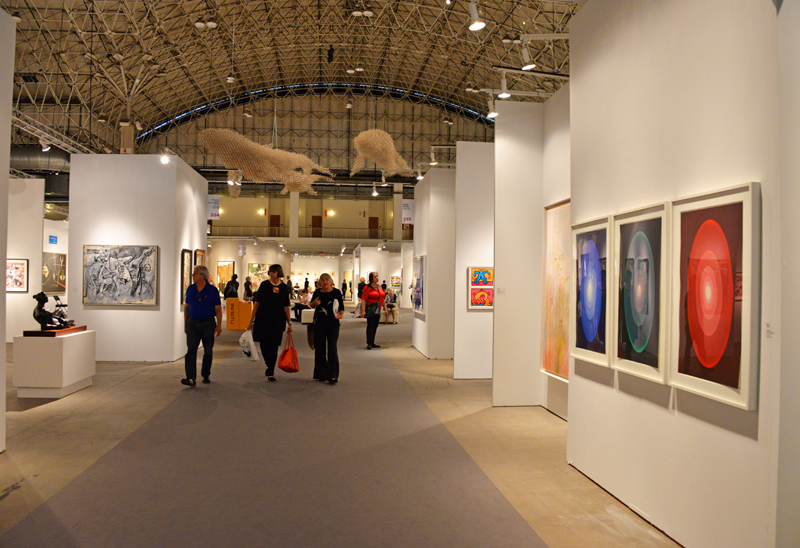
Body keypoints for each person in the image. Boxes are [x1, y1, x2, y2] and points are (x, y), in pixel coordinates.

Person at [247, 264, 292, 382]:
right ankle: (268, 363)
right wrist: (251, 320)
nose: (271, 273)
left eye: (274, 271)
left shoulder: (283, 287)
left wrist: (290, 322)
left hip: (277, 320)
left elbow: (286, 306)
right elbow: (257, 303)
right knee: (264, 344)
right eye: (270, 271)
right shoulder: (264, 285)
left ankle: (271, 370)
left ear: (278, 272)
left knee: (274, 346)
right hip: (263, 319)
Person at [182, 265, 222, 386]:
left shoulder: (212, 290)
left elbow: (218, 309)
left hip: (208, 323)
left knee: (208, 351)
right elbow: (186, 307)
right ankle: (190, 377)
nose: (192, 275)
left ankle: (205, 374)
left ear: (202, 276)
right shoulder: (190, 289)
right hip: (193, 323)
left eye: (195, 274)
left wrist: (219, 325)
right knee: (191, 350)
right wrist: (185, 324)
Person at [310, 273, 345, 383]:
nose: (325, 282)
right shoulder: (317, 292)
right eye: (323, 280)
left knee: (332, 347)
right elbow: (311, 305)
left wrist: (340, 315)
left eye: (327, 280)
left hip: (333, 324)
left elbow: (341, 307)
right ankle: (321, 373)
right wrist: (314, 303)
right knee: (320, 348)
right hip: (319, 323)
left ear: (330, 281)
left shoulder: (336, 292)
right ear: (320, 282)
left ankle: (332, 375)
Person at [361, 272, 385, 349]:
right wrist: (363, 311)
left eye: (377, 276)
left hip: (378, 309)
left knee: (375, 326)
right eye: (375, 277)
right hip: (371, 309)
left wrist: (385, 308)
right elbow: (363, 299)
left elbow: (382, 298)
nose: (377, 278)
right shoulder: (367, 287)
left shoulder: (379, 286)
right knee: (370, 326)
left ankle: (372, 342)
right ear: (371, 278)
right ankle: (369, 343)